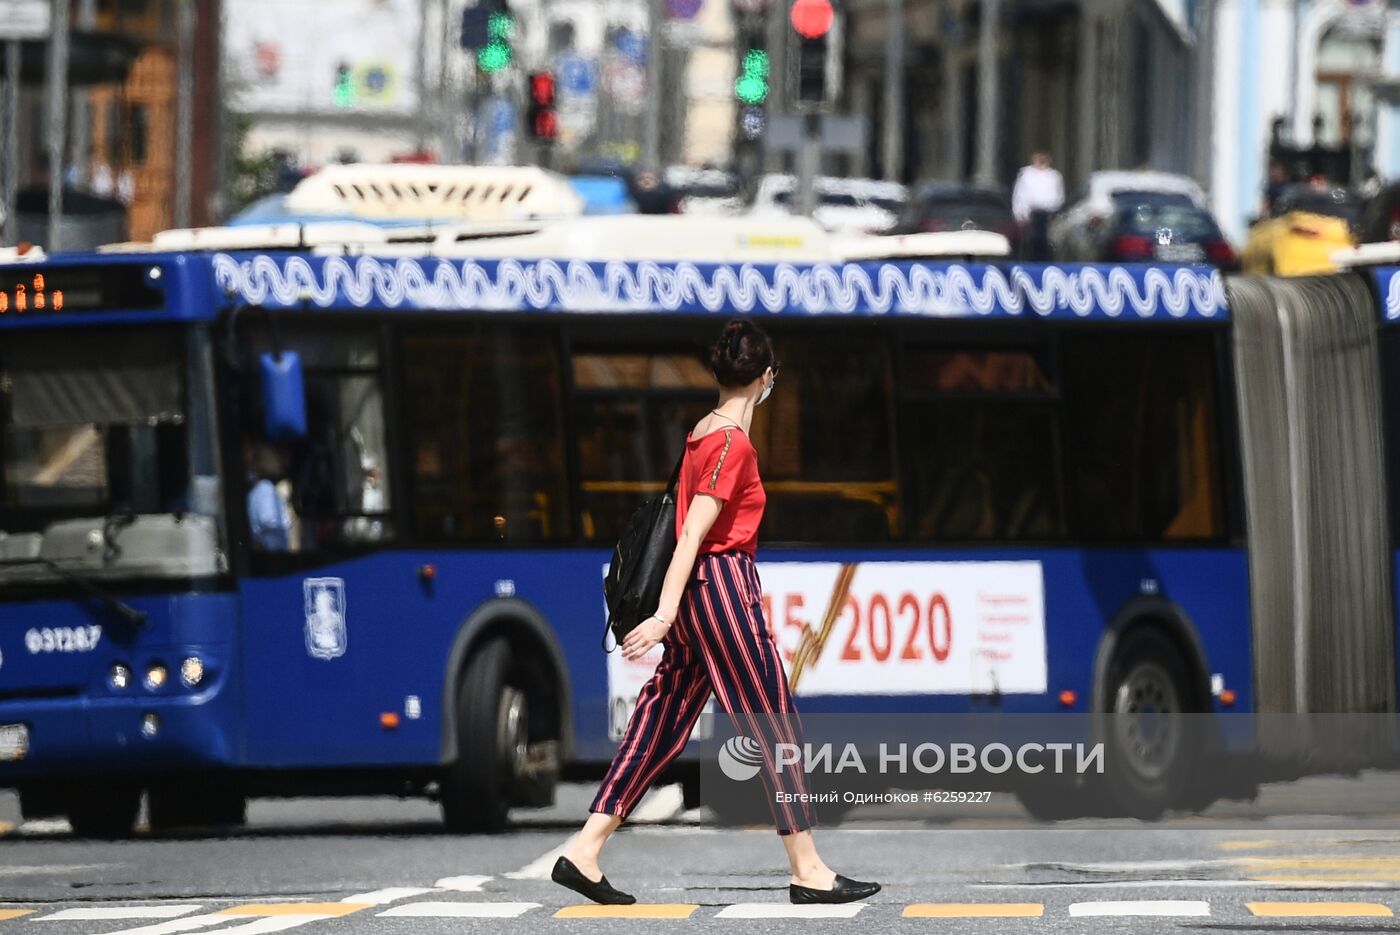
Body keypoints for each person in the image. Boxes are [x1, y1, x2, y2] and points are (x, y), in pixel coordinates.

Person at [552, 319, 881, 907]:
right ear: (766, 377)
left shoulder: (702, 432)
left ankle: (585, 847)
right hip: (721, 590)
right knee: (774, 722)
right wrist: (662, 614)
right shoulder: (732, 443)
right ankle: (808, 868)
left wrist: (671, 613)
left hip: (698, 598)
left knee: (663, 718)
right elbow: (693, 536)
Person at [1011, 150, 1065, 260]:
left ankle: (1044, 259)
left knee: (1046, 239)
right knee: (1032, 239)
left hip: (1048, 212)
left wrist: (1054, 209)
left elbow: (1058, 194)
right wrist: (1019, 213)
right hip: (1032, 211)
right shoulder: (1027, 174)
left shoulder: (1053, 176)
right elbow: (1020, 194)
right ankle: (1031, 258)